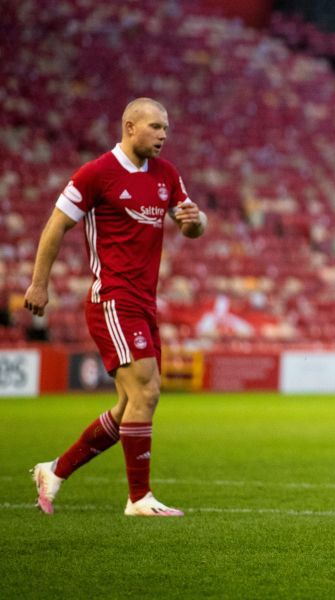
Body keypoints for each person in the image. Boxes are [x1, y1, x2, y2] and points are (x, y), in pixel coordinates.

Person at [25, 98, 208, 516]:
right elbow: (56, 224)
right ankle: (139, 498)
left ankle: (54, 471)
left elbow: (193, 226)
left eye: (166, 128)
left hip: (145, 303)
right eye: (156, 127)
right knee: (148, 391)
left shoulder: (167, 175)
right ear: (130, 127)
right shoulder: (96, 174)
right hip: (113, 299)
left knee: (130, 406)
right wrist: (39, 283)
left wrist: (195, 222)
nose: (164, 135)